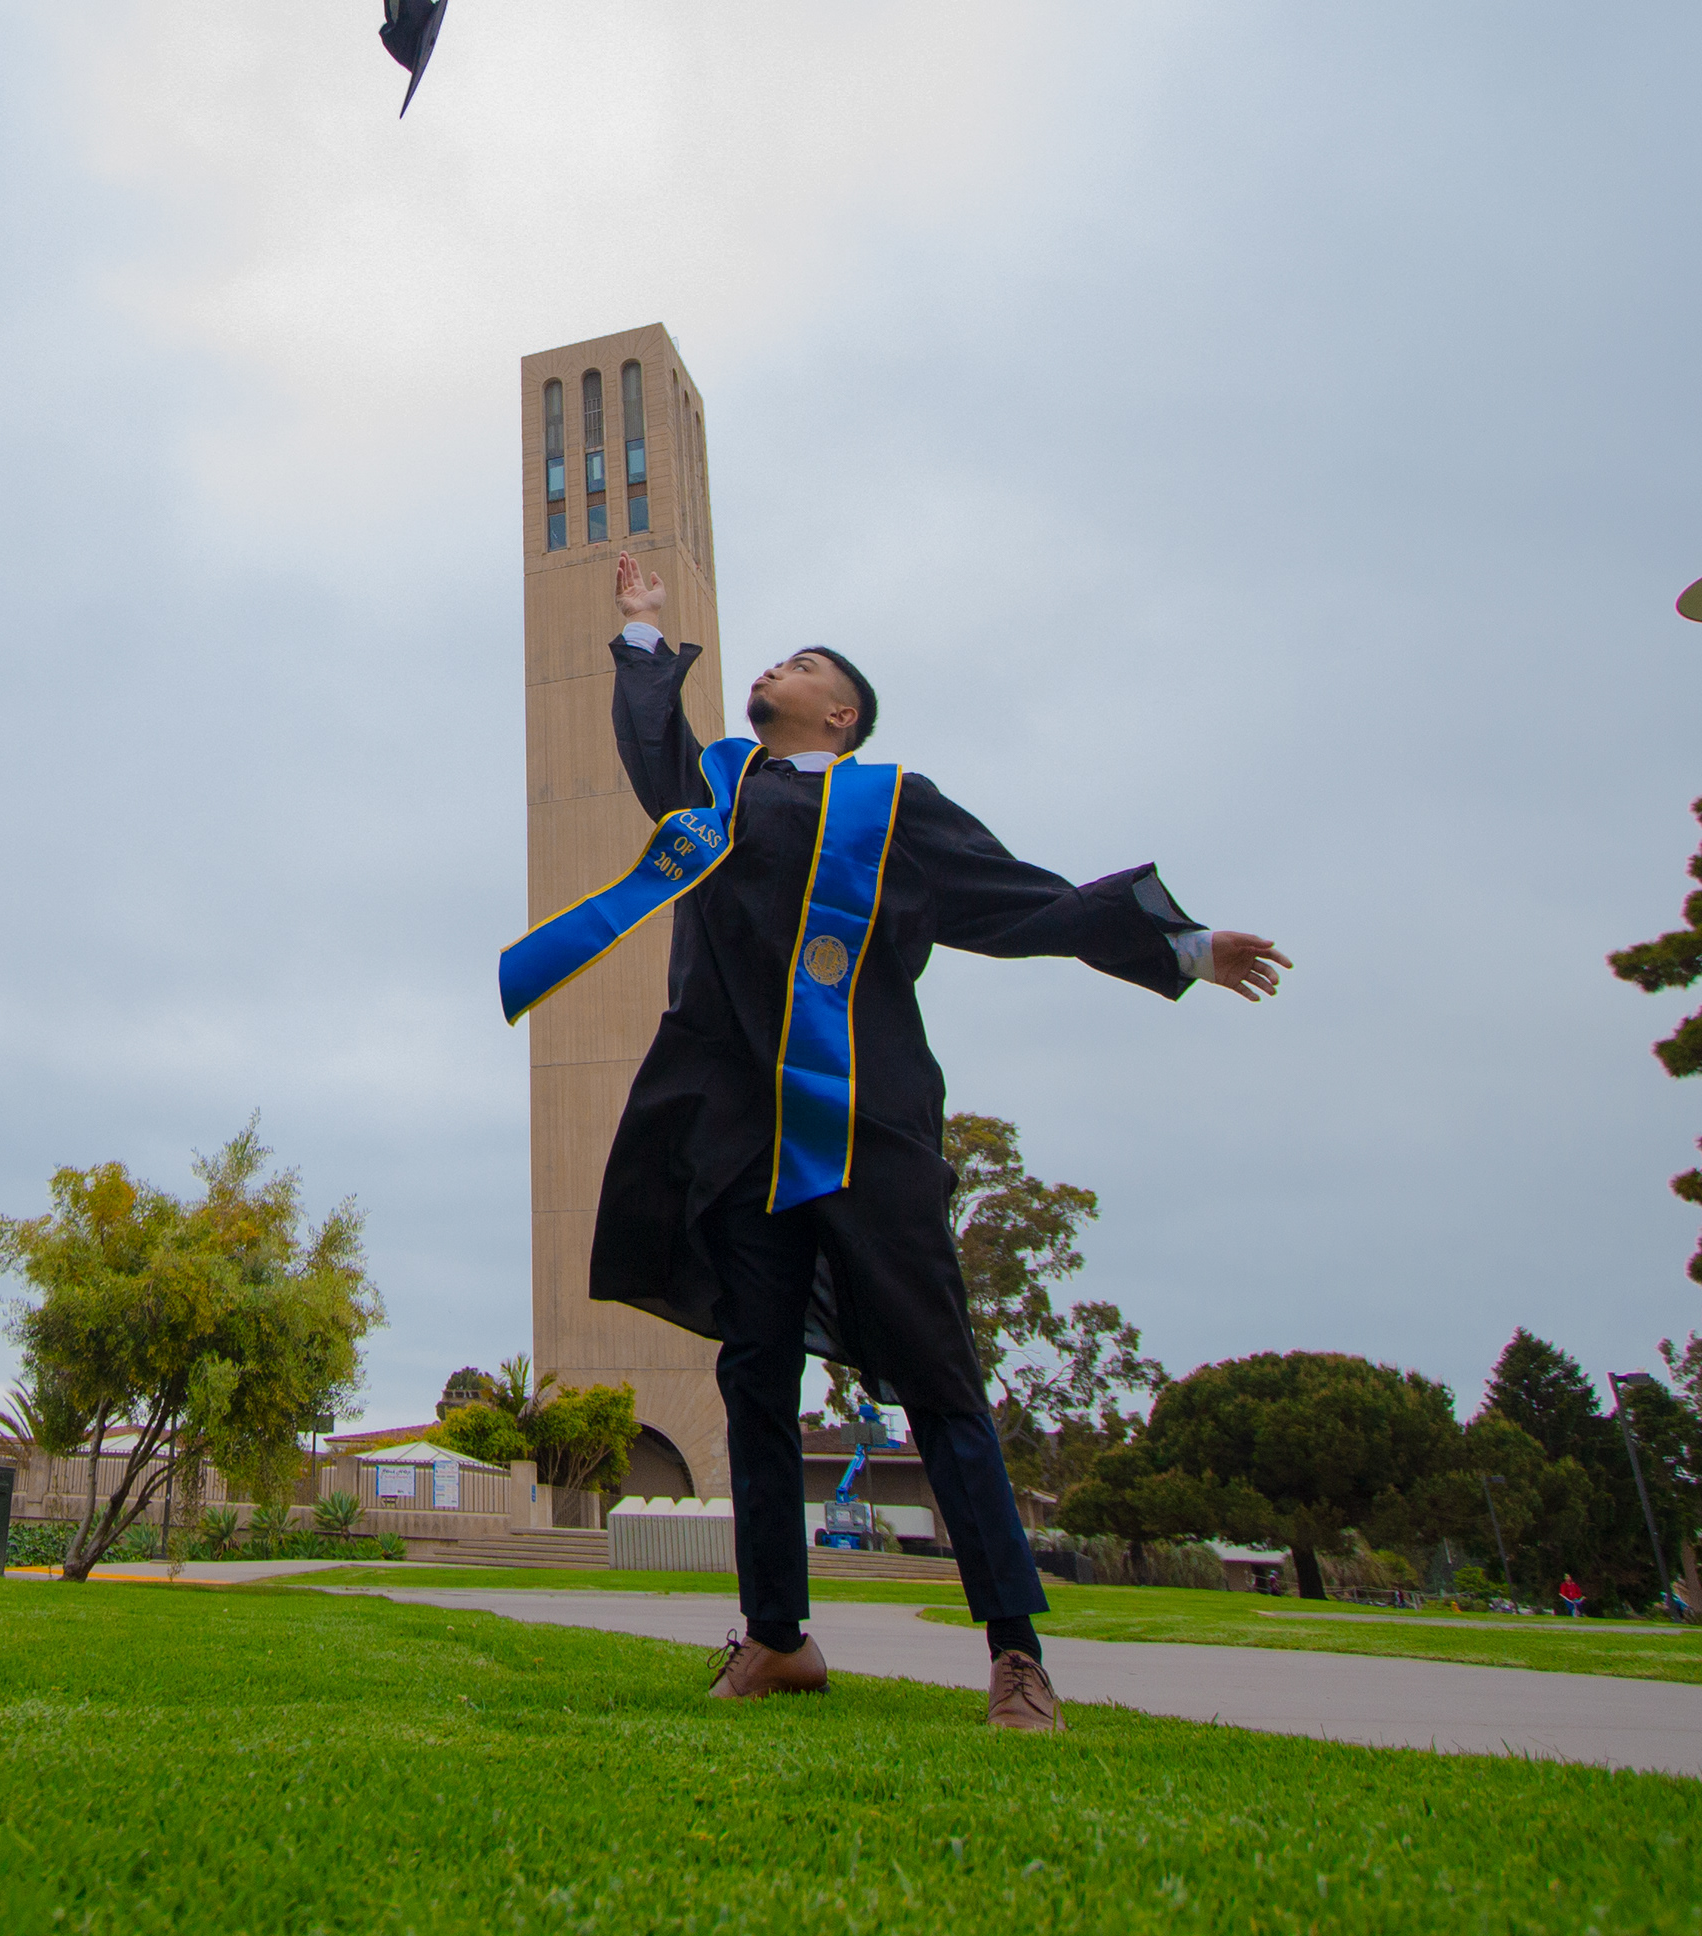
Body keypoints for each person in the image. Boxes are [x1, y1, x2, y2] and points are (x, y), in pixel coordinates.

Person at [509, 554, 1290, 1732]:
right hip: (742, 1139)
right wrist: (640, 630)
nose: (778, 666)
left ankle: (1015, 1652)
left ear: (843, 715)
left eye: (804, 664)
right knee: (753, 1379)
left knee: (939, 1376)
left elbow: (1023, 900)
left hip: (869, 1128)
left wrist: (1180, 948)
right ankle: (778, 1637)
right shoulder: (716, 790)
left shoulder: (895, 805)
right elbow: (651, 740)